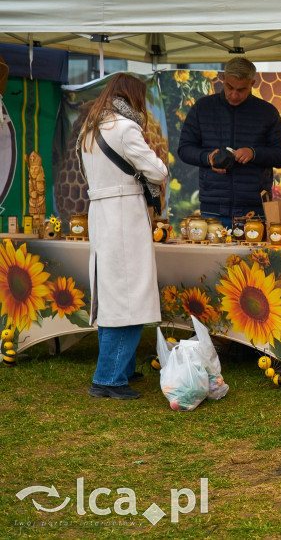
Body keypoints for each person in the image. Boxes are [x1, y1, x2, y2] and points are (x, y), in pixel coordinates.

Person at [79, 73, 168, 399]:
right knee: (130, 297)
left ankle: (122, 368)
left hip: (102, 213)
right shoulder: (125, 128)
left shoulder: (90, 128)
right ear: (132, 96)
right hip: (124, 214)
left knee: (113, 295)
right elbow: (157, 171)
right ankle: (109, 378)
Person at [177, 57, 281, 225]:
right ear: (222, 78)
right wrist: (207, 157)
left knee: (254, 253)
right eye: (230, 87)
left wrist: (254, 153)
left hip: (255, 210)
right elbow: (184, 149)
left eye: (241, 90)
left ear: (252, 83)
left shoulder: (267, 112)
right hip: (213, 208)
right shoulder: (202, 108)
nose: (234, 95)